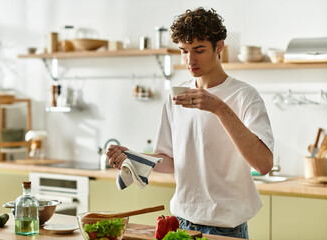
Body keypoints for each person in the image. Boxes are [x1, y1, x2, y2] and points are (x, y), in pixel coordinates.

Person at [107, 7, 274, 239]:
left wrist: (218, 108)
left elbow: (264, 164)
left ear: (219, 47)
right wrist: (135, 157)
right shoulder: (176, 96)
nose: (190, 60)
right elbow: (170, 161)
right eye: (184, 51)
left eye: (198, 50)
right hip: (182, 223)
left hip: (227, 229)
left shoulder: (245, 95)